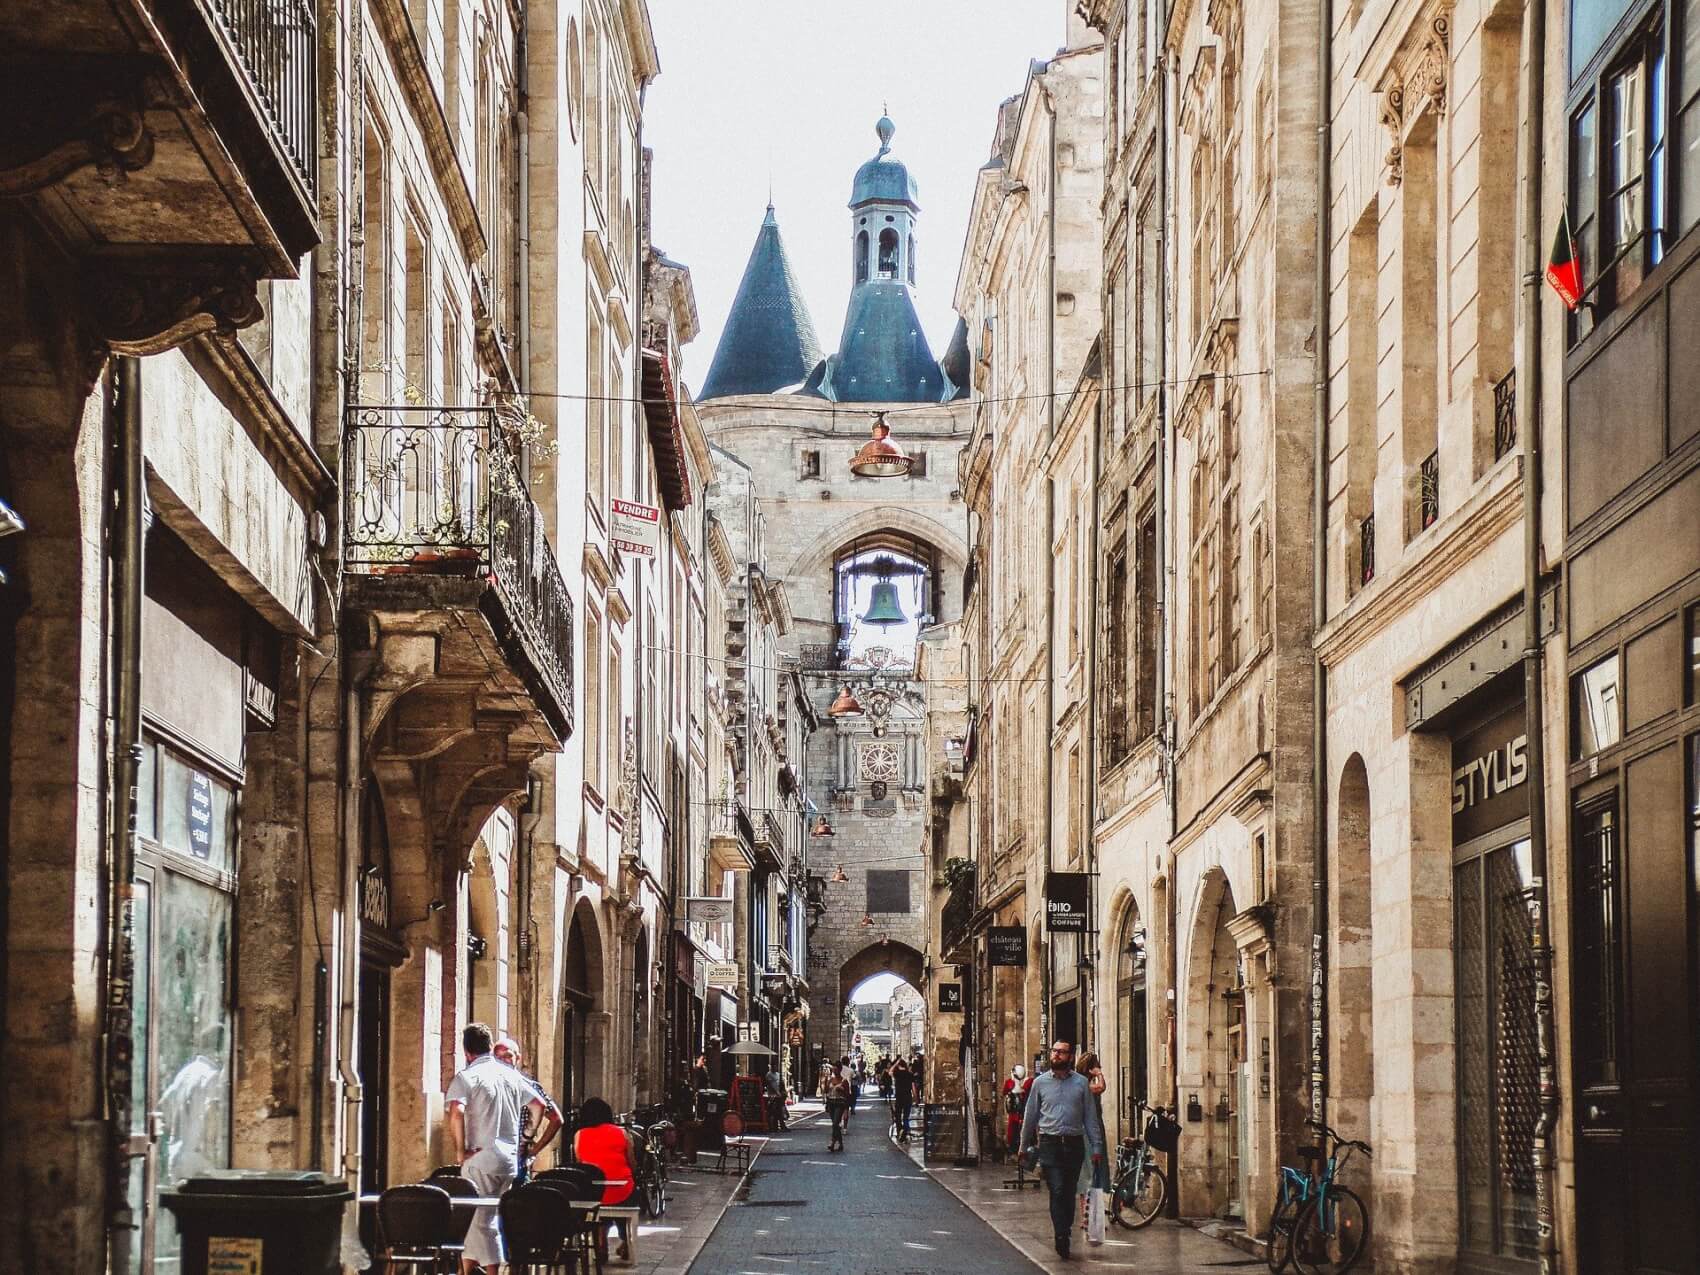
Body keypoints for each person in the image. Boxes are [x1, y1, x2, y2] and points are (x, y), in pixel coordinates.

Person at [445, 1022, 548, 1275]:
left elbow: (456, 1112)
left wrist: (460, 1151)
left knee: (483, 1223)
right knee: (480, 1220)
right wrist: (526, 1136)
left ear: (467, 1052)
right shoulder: (512, 1075)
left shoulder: (467, 1077)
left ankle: (492, 1271)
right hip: (508, 1161)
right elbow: (539, 1105)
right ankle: (466, 1271)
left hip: (481, 1158)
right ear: (490, 1047)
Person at [1017, 1040, 1105, 1260]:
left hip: (1074, 1143)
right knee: (1056, 1189)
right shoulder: (1040, 1083)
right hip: (1050, 1144)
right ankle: (1061, 1235)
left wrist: (1096, 1147)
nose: (1056, 1055)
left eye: (1062, 1052)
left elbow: (1090, 1117)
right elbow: (1031, 1116)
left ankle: (1064, 1229)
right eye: (1054, 1051)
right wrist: (1022, 1146)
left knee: (1068, 1191)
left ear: (1070, 1057)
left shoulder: (1081, 1084)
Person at [572, 1097, 639, 1263]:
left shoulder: (579, 1135)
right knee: (625, 1194)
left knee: (599, 1198)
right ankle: (625, 1240)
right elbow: (632, 1163)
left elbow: (581, 1163)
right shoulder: (622, 1133)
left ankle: (600, 1242)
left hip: (595, 1193)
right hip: (622, 1191)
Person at [493, 1035, 563, 1184]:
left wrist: (533, 1149)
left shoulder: (530, 1086)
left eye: (507, 1056)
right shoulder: (488, 1086)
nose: (502, 1061)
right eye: (497, 1058)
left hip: (516, 1159)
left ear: (517, 1058)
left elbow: (556, 1119)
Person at [1074, 1051, 1111, 1243]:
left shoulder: (1078, 1083)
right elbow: (1101, 1087)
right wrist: (1099, 1074)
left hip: (1087, 1130)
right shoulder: (1086, 1085)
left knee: (1087, 1173)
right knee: (1091, 1173)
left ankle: (1086, 1217)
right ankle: (1089, 1218)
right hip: (1091, 1131)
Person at [1003, 1064, 1032, 1157]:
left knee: (1024, 1131)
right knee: (1012, 1133)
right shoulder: (1010, 1082)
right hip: (1014, 1112)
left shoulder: (1029, 1082)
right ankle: (1013, 1151)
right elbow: (1005, 1093)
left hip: (1024, 1111)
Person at [822, 1066, 850, 1151]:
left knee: (835, 1124)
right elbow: (826, 1091)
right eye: (834, 1070)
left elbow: (847, 1094)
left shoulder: (844, 1081)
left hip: (839, 1103)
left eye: (836, 1069)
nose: (835, 1071)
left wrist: (842, 1089)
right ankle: (841, 1144)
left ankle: (832, 1142)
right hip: (831, 1103)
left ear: (840, 1070)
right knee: (836, 1125)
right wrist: (825, 1082)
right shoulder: (830, 1080)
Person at [891, 1057, 917, 1143]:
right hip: (908, 1097)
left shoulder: (897, 1073)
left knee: (898, 1116)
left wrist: (895, 1063)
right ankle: (905, 1131)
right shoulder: (910, 1074)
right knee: (906, 1117)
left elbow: (890, 1071)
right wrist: (916, 1098)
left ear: (898, 1066)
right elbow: (913, 1087)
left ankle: (900, 1131)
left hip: (899, 1097)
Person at [763, 1063, 789, 1130]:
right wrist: (777, 1093)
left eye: (776, 1066)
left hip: (779, 1096)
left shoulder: (778, 1074)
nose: (775, 1068)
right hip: (772, 1096)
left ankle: (781, 1126)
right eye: (773, 1066)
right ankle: (775, 1126)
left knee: (779, 1111)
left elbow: (781, 1084)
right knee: (774, 1111)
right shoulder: (769, 1075)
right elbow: (772, 1085)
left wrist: (783, 1092)